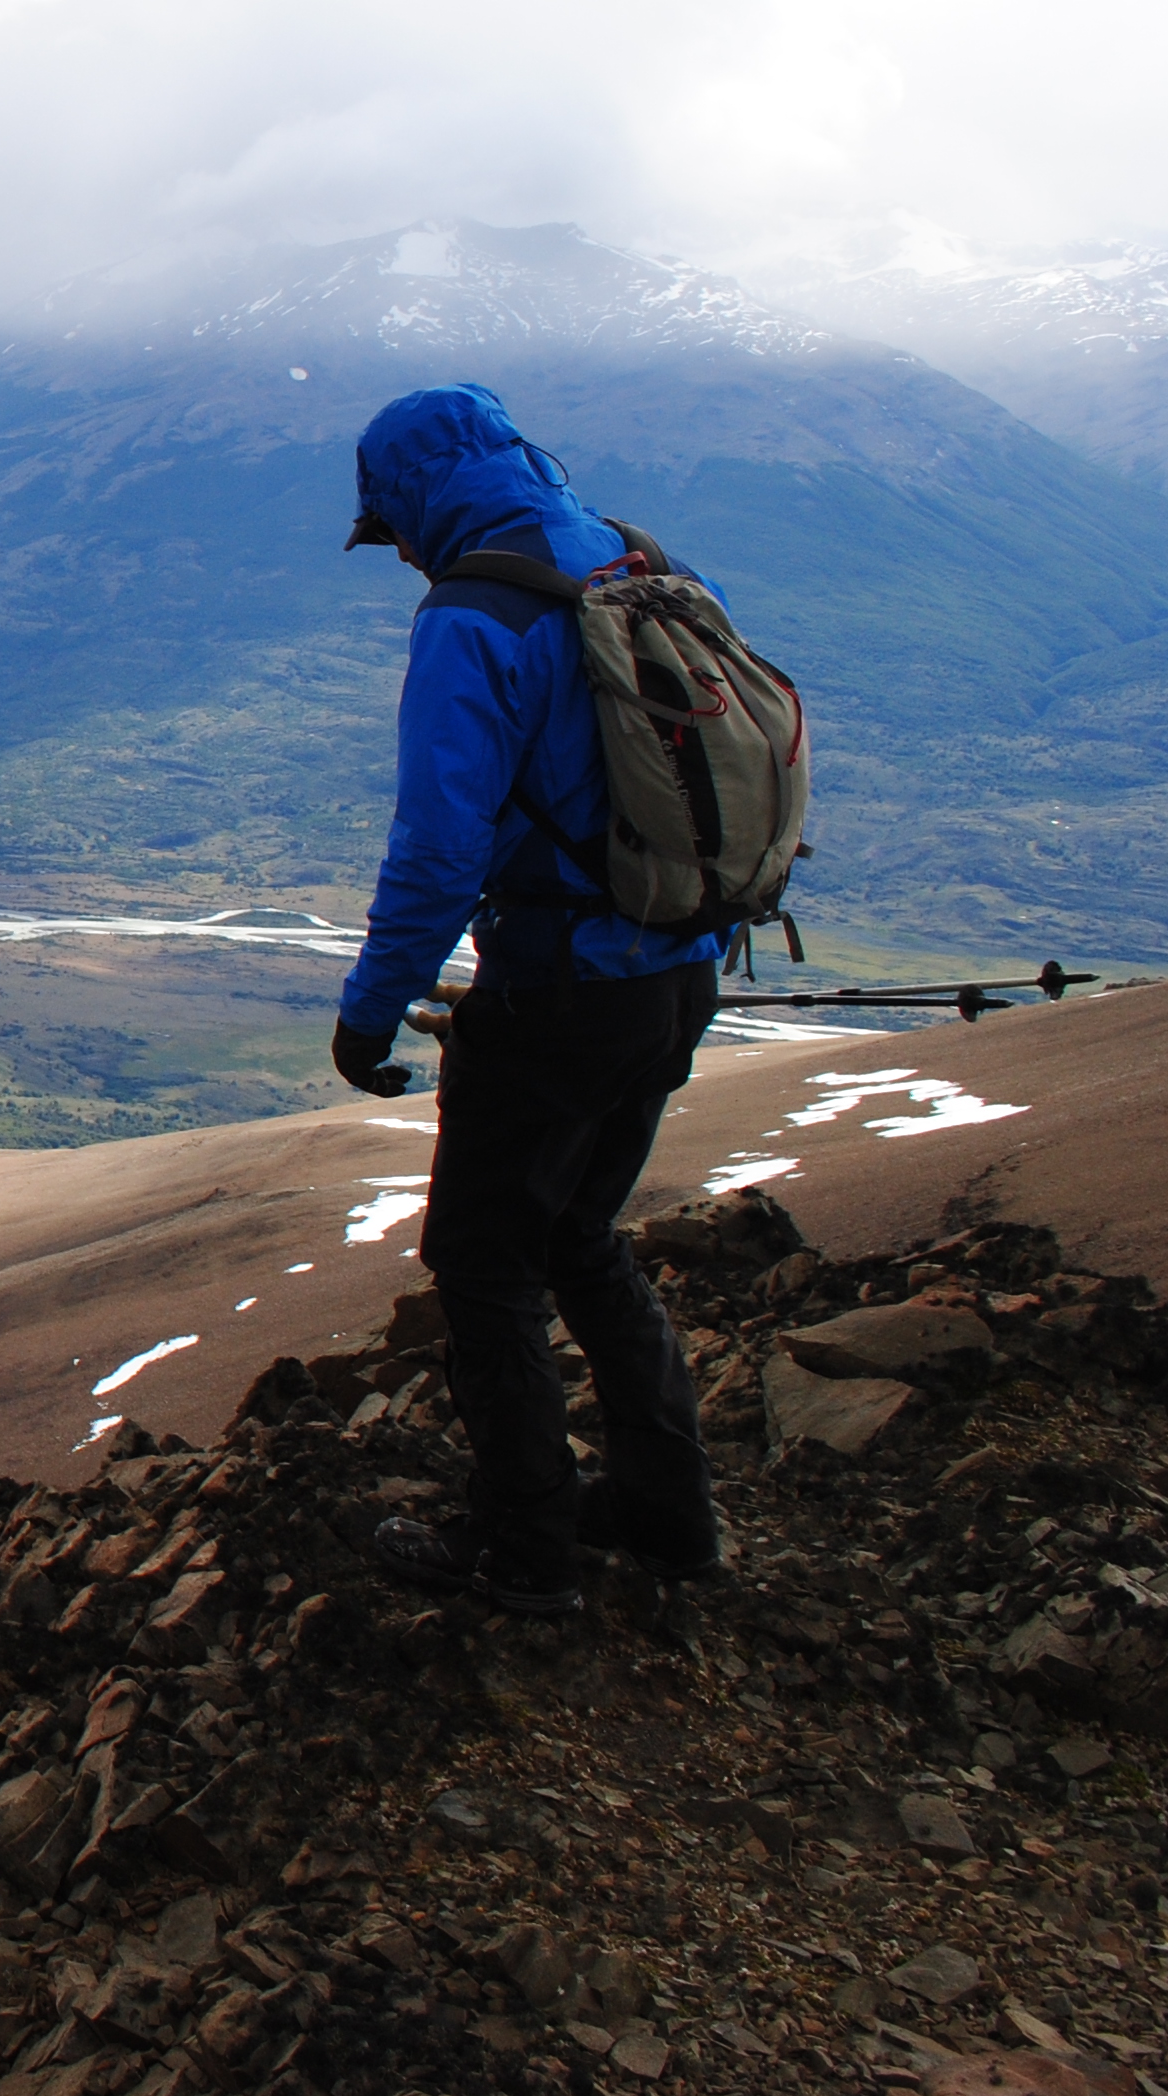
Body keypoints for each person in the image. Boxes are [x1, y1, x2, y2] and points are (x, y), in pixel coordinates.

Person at [330, 383, 727, 1617]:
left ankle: (521, 1552)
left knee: (482, 1260)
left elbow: (440, 845)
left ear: (410, 499)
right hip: (678, 971)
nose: (393, 549)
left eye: (387, 522)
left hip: (557, 993)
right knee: (580, 1238)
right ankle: (668, 1516)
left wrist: (370, 1006)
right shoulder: (632, 559)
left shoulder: (475, 616)